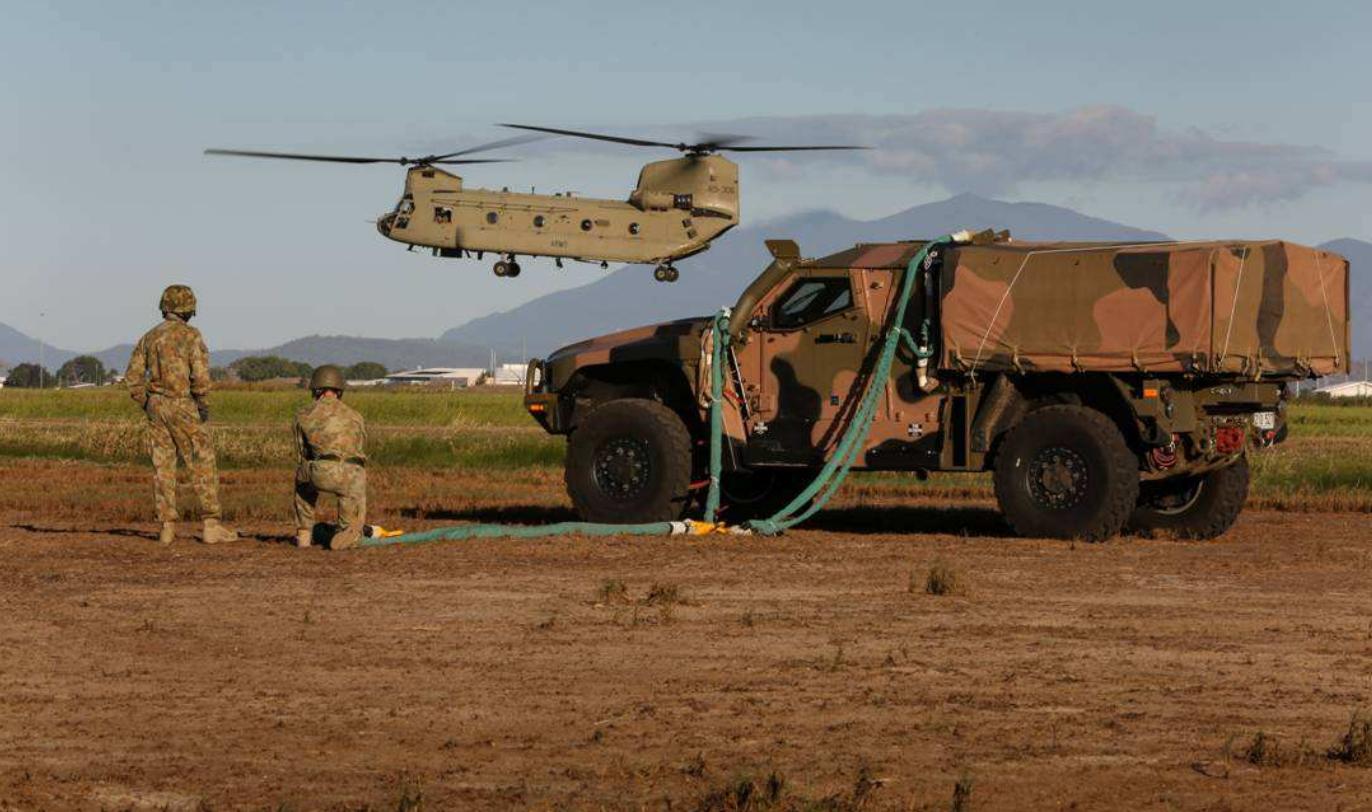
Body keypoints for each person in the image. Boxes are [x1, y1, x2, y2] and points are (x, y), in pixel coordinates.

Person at [124, 284, 239, 545]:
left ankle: (166, 527)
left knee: (163, 467)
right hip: (183, 404)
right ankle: (211, 525)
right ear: (188, 309)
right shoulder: (191, 336)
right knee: (202, 462)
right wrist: (201, 402)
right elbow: (200, 375)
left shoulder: (149, 337)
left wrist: (147, 402)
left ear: (165, 307)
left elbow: (132, 377)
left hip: (156, 406)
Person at [294, 365, 368, 550]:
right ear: (339, 390)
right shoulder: (355, 415)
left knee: (302, 481)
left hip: (323, 471)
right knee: (352, 494)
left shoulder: (304, 414)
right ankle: (346, 531)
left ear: (316, 390)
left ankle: (304, 534)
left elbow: (301, 453)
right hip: (353, 475)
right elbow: (360, 448)